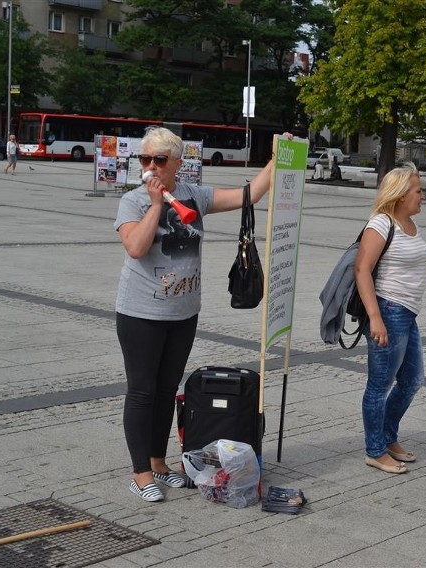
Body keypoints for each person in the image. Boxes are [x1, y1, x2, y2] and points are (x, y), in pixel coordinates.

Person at [114, 126, 292, 502]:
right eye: (144, 159)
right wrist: (157, 204)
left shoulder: (194, 195)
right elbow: (136, 246)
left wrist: (279, 158)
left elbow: (250, 195)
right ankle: (141, 473)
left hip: (183, 311)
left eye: (159, 160)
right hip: (140, 312)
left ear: (177, 163)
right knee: (143, 392)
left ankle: (159, 462)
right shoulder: (133, 201)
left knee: (166, 390)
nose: (150, 166)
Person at [354, 163, 426, 474]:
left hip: (407, 314)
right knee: (380, 385)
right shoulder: (381, 225)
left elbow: (419, 256)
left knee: (411, 380)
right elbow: (362, 270)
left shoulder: (409, 225)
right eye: (419, 191)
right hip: (389, 312)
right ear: (399, 195)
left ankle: (387, 436)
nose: (423, 196)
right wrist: (375, 318)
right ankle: (375, 450)